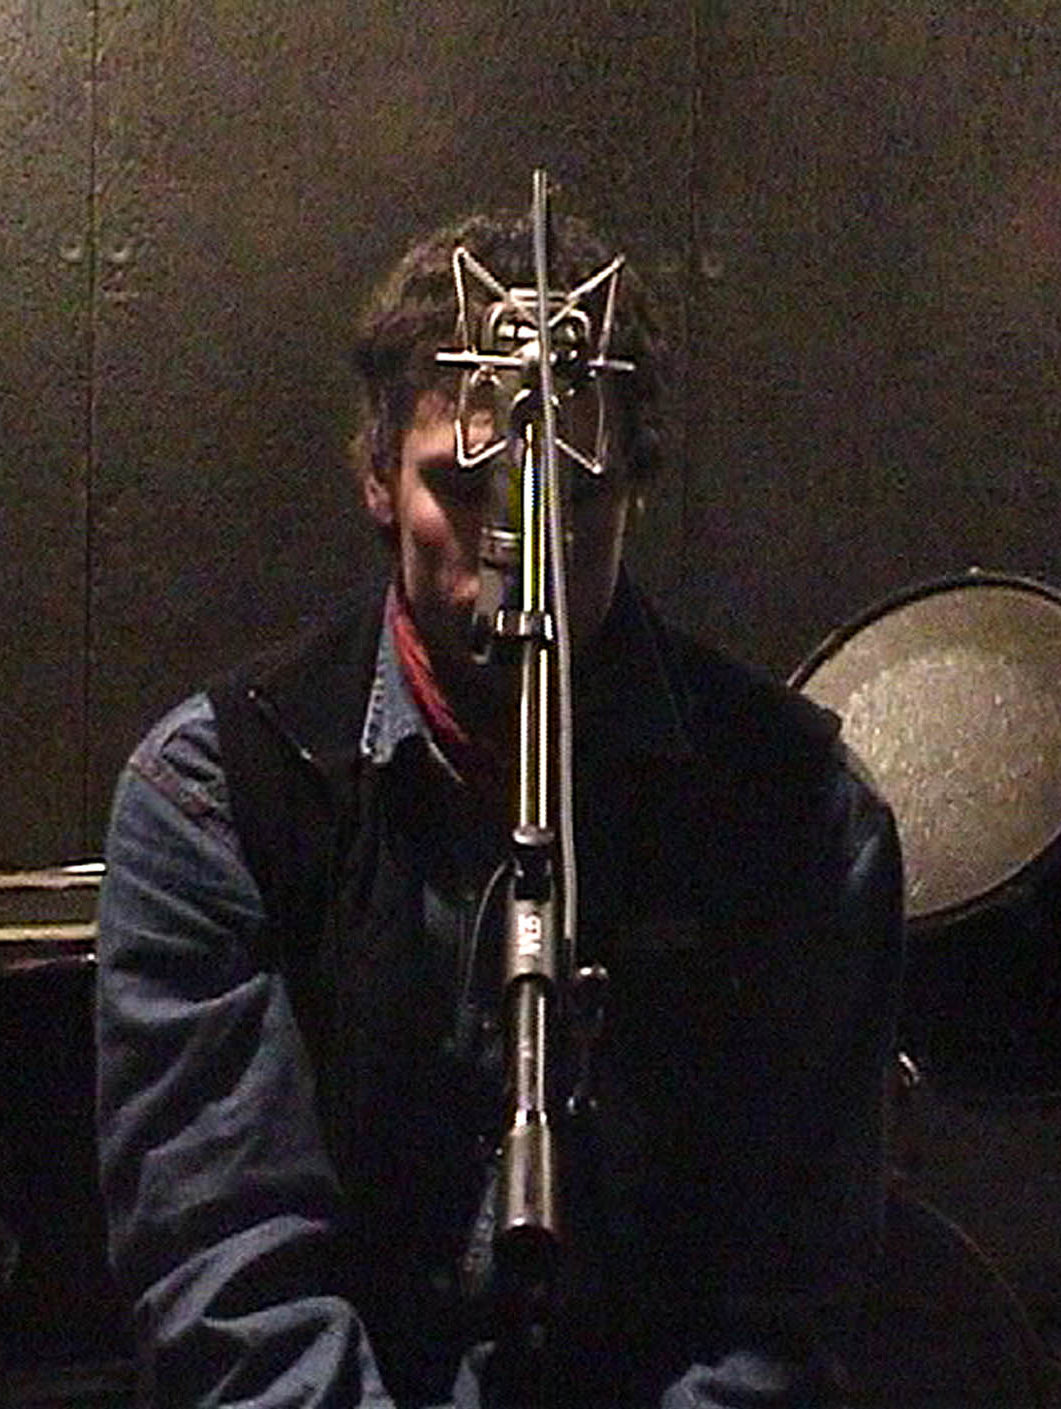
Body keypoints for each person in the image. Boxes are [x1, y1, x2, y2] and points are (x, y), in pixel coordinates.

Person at [94, 209, 905, 1408]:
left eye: (571, 487)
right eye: (464, 483)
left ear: (633, 489)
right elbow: (226, 1264)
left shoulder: (799, 813)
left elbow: (790, 1291)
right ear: (377, 476)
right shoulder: (218, 791)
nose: (519, 537)